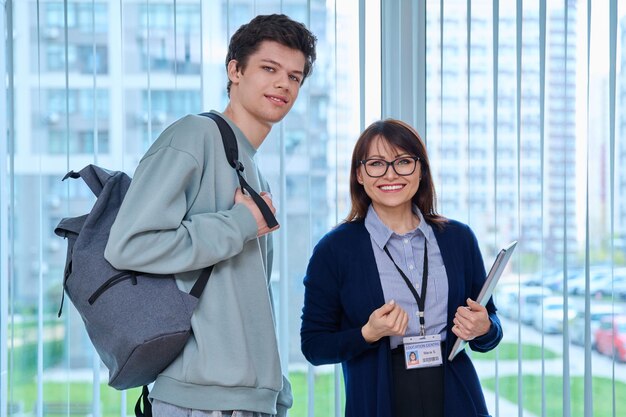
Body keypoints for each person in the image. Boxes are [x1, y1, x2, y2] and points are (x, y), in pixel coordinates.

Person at [104, 14, 316, 417]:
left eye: (295, 76)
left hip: (247, 401)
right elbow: (129, 245)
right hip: (197, 401)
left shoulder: (251, 166)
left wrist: (275, 392)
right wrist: (238, 224)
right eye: (269, 69)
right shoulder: (194, 136)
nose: (283, 84)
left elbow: (246, 295)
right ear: (234, 70)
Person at [300, 119, 503, 417]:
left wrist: (485, 328)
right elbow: (314, 346)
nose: (391, 174)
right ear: (359, 174)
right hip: (379, 398)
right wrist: (368, 332)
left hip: (457, 396)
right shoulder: (334, 250)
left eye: (403, 162)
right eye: (376, 164)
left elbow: (491, 322)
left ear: (420, 170)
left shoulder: (458, 239)